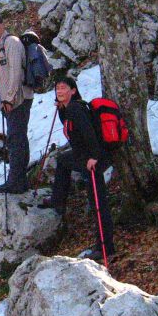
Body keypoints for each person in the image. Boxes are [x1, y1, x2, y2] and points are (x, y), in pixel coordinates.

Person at [41, 76, 115, 259]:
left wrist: (93, 157)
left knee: (98, 202)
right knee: (63, 161)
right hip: (82, 155)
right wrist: (60, 110)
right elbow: (71, 131)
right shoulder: (68, 109)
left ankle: (105, 247)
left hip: (92, 159)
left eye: (63, 88)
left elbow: (89, 134)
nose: (59, 91)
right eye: (57, 88)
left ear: (73, 91)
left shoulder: (76, 109)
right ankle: (58, 200)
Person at [0, 13, 33, 194]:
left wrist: (10, 98)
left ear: (2, 24)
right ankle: (19, 181)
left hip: (18, 100)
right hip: (8, 101)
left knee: (16, 140)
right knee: (16, 140)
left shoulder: (11, 43)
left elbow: (16, 73)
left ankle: (16, 183)